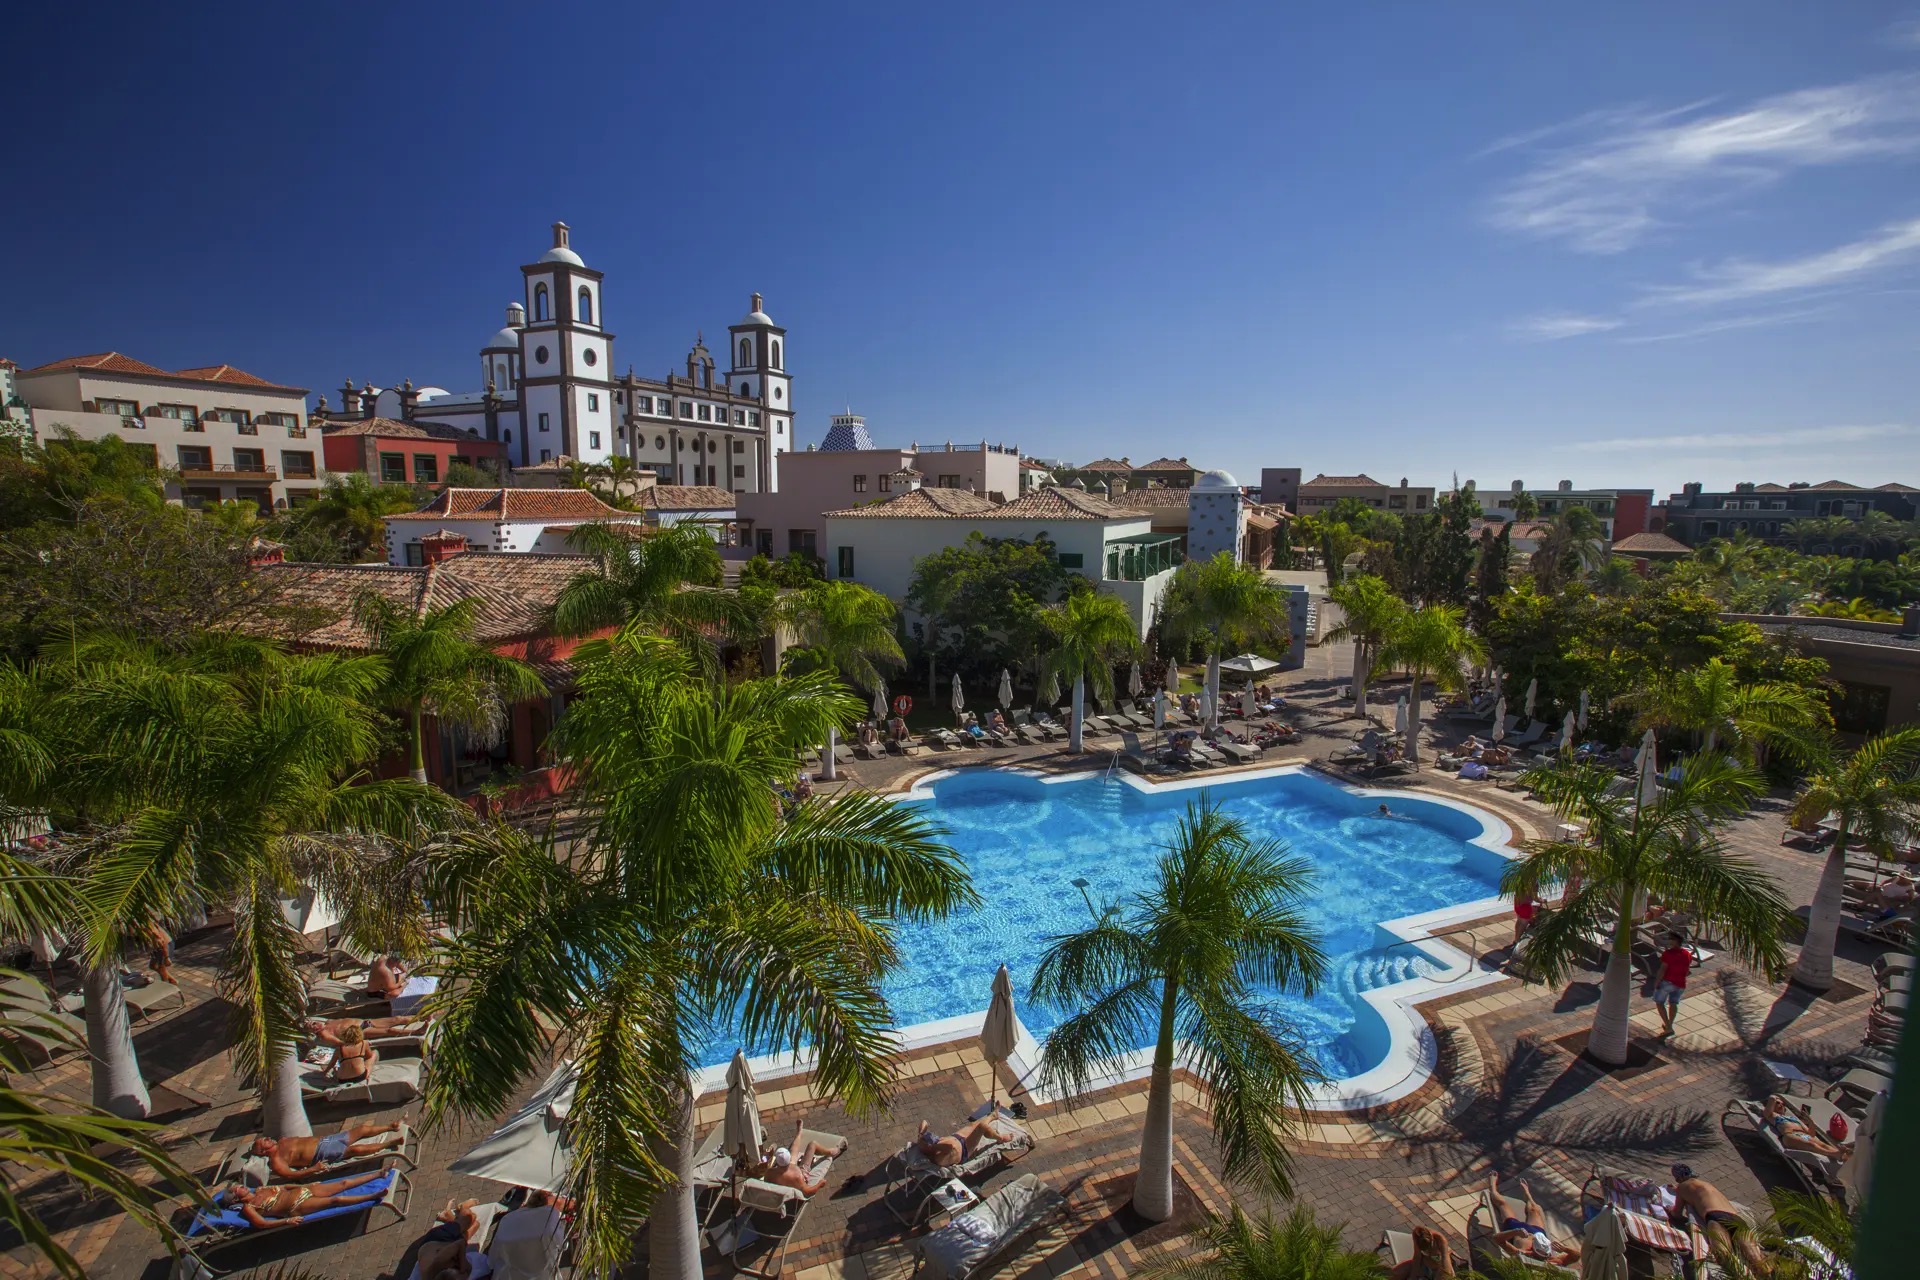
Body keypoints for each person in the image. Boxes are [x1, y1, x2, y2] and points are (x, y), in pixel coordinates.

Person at [1668, 1165, 1767, 1275]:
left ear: (1678, 1179)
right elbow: (1696, 1190)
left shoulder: (1682, 1187)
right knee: (1757, 1259)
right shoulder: (1707, 1185)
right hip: (1736, 1218)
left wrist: (1669, 1209)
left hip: (1715, 1216)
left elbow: (1677, 1214)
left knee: (1724, 1256)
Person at [222, 1168, 394, 1228]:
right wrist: (286, 1221)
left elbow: (286, 1186)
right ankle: (375, 1196)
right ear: (236, 1199)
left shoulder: (260, 1188)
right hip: (297, 1205)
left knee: (343, 1183)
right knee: (337, 1201)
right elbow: (262, 1224)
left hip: (304, 1190)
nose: (243, 1187)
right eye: (239, 1190)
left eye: (240, 1185)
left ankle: (379, 1173)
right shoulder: (249, 1208)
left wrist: (304, 1186)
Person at [250, 1116, 410, 1181]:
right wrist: (313, 1169)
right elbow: (292, 1175)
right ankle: (388, 1144)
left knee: (361, 1129)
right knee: (355, 1150)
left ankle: (391, 1126)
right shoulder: (277, 1161)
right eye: (263, 1141)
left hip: (326, 1140)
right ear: (263, 1151)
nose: (266, 1138)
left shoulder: (282, 1140)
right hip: (320, 1154)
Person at [1486, 1176, 1579, 1267]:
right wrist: (1565, 1249)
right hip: (1538, 1232)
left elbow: (1497, 1238)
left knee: (1502, 1204)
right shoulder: (1552, 1261)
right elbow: (1576, 1256)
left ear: (1533, 1249)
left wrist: (1515, 1232)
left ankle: (1492, 1187)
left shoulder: (1523, 1254)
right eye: (1547, 1254)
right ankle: (1528, 1195)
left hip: (1515, 1228)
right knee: (1535, 1209)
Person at [414, 1197, 495, 1280]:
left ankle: (463, 1207)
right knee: (476, 1225)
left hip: (439, 1238)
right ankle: (449, 1218)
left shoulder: (440, 1260)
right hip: (445, 1246)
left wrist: (464, 1265)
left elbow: (460, 1243)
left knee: (470, 1217)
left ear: (451, 1267)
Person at [759, 1122, 845, 1197]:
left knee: (794, 1151)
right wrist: (820, 1184)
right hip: (800, 1175)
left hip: (781, 1188)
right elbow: (808, 1191)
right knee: (812, 1144)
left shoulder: (770, 1173)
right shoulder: (796, 1176)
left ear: (777, 1161)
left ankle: (799, 1133)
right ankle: (829, 1152)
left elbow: (768, 1186)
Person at [1760, 1095, 1851, 1163]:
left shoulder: (1794, 1119)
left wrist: (1810, 1121)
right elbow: (1771, 1099)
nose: (1781, 1105)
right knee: (1812, 1145)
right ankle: (1836, 1154)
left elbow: (1811, 1134)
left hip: (1805, 1136)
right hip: (1790, 1136)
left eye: (1782, 1104)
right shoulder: (1772, 1116)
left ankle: (1845, 1157)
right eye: (1777, 1103)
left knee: (1825, 1145)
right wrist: (1775, 1098)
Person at [915, 1116, 1014, 1167]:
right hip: (965, 1149)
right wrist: (935, 1144)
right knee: (981, 1127)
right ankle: (1000, 1138)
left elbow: (924, 1121)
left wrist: (922, 1134)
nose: (936, 1138)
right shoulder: (939, 1158)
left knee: (974, 1124)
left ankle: (993, 1115)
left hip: (957, 1137)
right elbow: (951, 1147)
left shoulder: (923, 1144)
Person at [1652, 934, 1694, 1035]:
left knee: (1659, 1002)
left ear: (1676, 941)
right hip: (1680, 983)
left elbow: (1662, 969)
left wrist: (1657, 982)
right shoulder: (1686, 954)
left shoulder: (1668, 954)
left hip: (1668, 982)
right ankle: (1669, 1025)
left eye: (1671, 939)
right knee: (1673, 1003)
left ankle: (1668, 1026)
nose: (1669, 941)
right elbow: (1687, 970)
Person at [307, 1014, 433, 1046]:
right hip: (361, 1032)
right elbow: (340, 1043)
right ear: (314, 1031)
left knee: (397, 1018)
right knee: (390, 1031)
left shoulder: (328, 1021)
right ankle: (417, 1032)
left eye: (313, 1022)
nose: (315, 1024)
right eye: (312, 1027)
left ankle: (423, 1017)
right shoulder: (324, 1034)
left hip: (365, 1021)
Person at [1388, 1225, 1456, 1280]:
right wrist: (1413, 1276)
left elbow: (1446, 1270)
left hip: (1439, 1268)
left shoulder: (1440, 1241)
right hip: (1424, 1267)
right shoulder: (1418, 1234)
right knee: (1397, 1272)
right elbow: (1417, 1257)